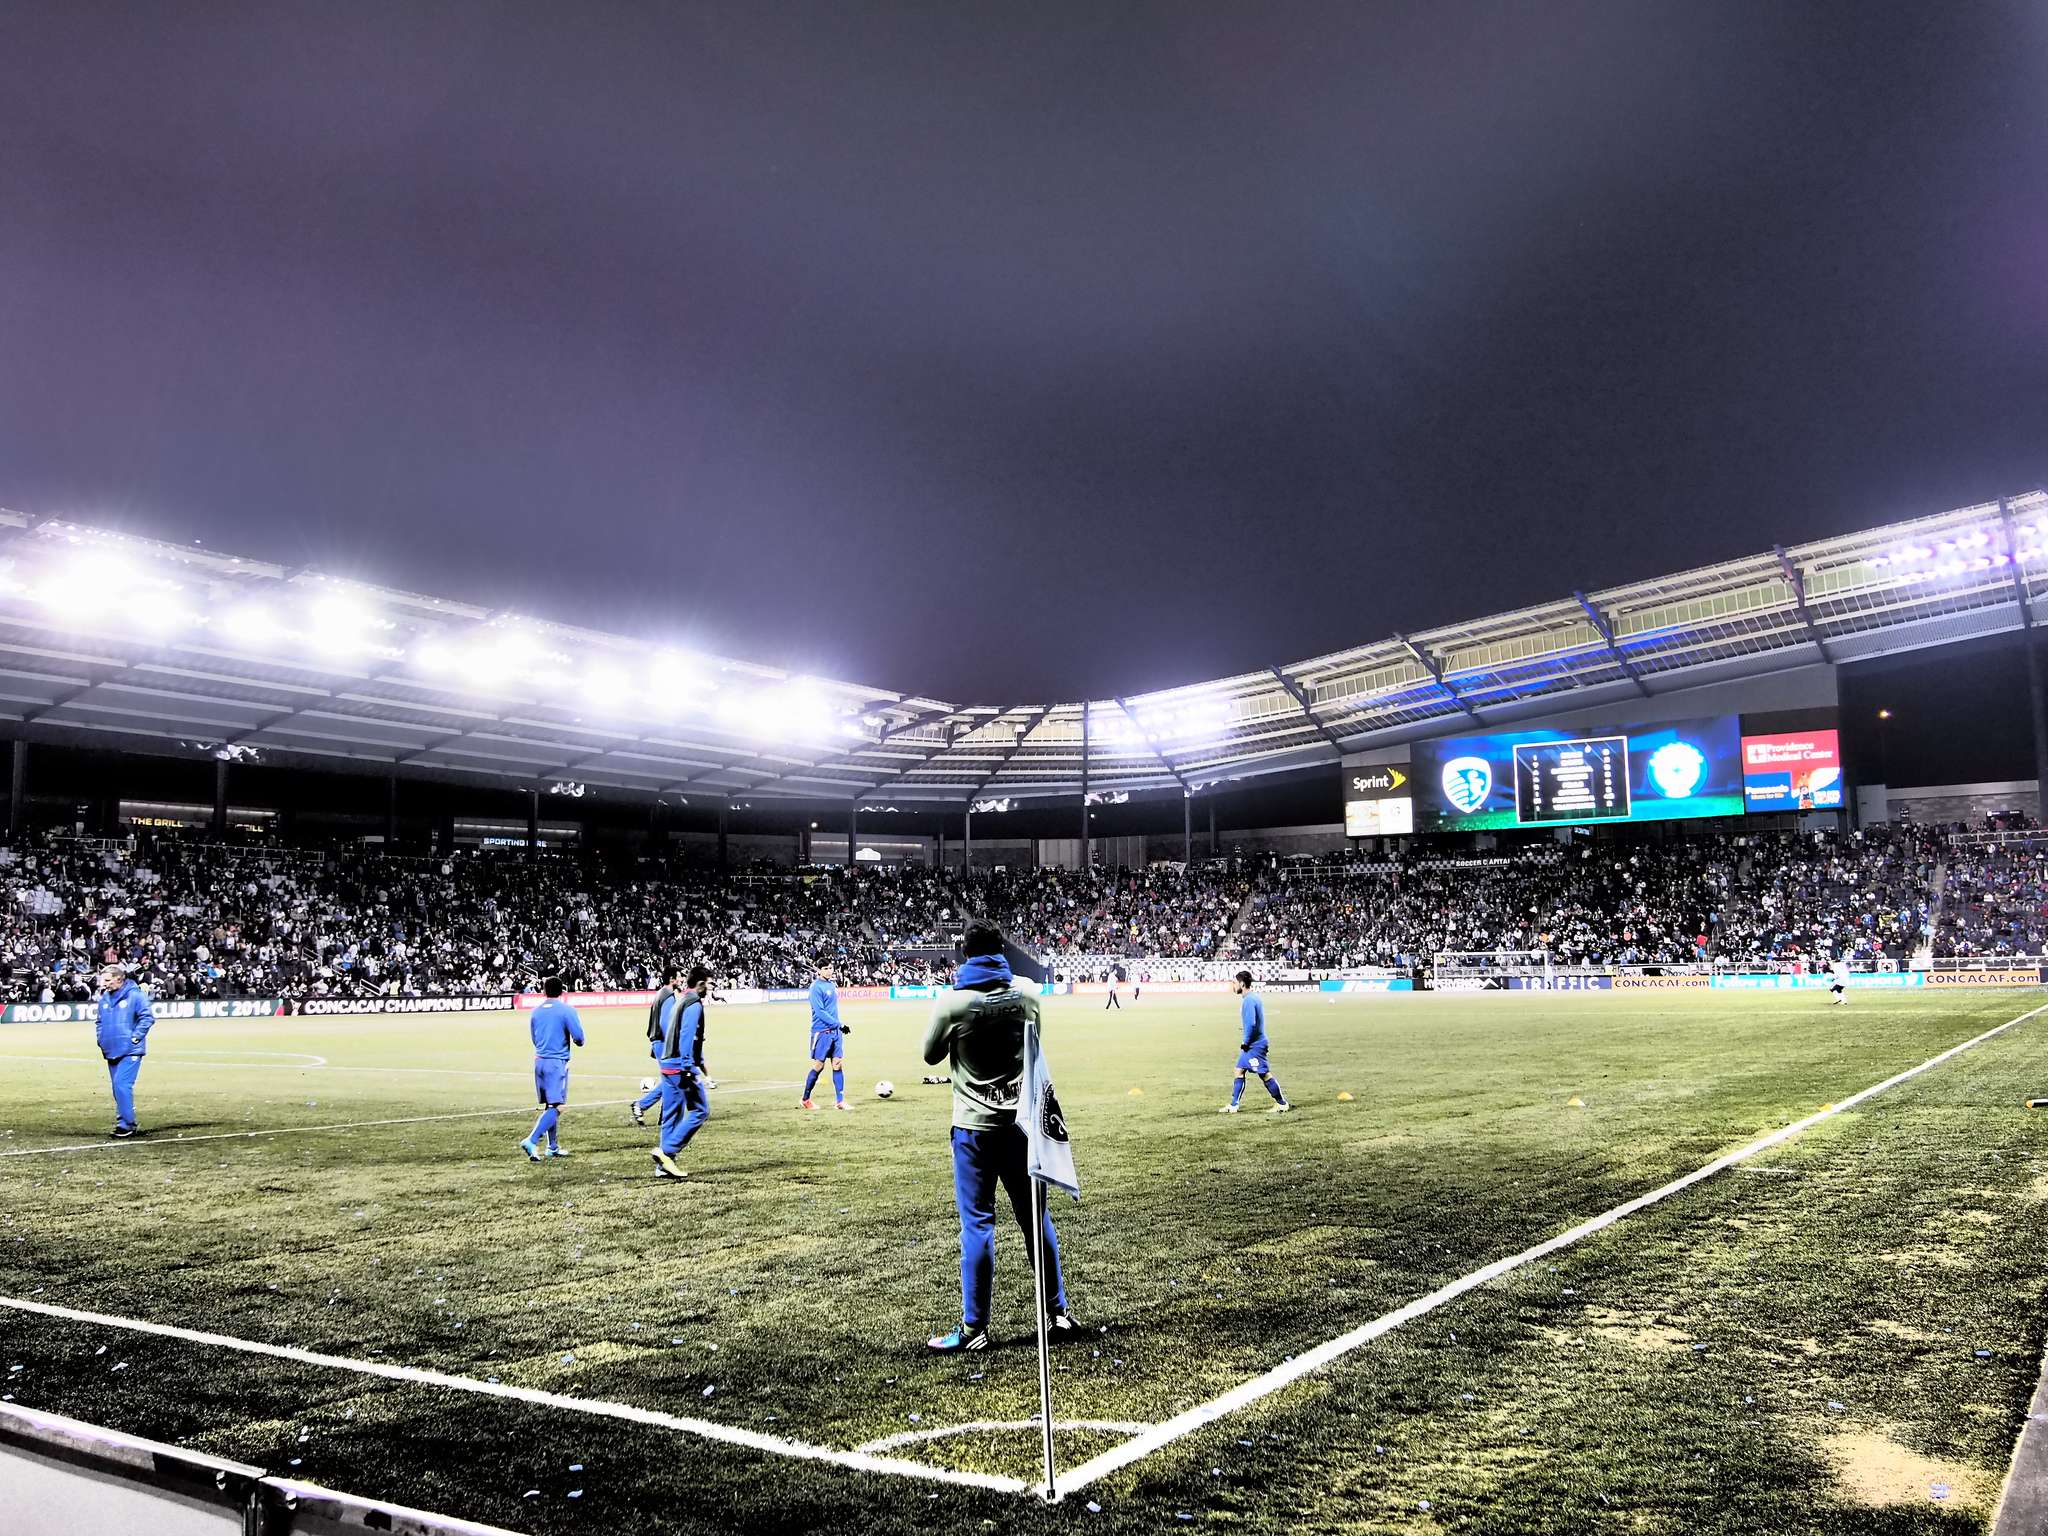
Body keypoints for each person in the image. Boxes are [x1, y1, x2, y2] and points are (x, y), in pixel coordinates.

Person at [922, 921, 1075, 1352]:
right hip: (1021, 1126)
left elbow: (930, 1055)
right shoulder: (1027, 993)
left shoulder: (952, 1002)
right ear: (1000, 950)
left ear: (964, 955)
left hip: (973, 1128)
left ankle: (975, 1330)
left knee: (977, 1225)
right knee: (1035, 1220)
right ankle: (1057, 1313)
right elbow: (1035, 1042)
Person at [651, 964, 712, 1180]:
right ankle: (667, 1152)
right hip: (680, 1065)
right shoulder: (694, 1003)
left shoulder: (680, 1000)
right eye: (710, 983)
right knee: (700, 1110)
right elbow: (687, 1035)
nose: (711, 988)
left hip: (667, 1063)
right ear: (701, 983)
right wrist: (688, 1067)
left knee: (671, 1115)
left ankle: (663, 1167)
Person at [520, 976, 585, 1161]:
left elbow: (534, 1037)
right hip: (556, 1063)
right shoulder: (567, 1010)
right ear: (562, 991)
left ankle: (552, 1146)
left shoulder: (536, 1012)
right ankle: (532, 1140)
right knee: (558, 1106)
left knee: (550, 1104)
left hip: (539, 1060)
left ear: (544, 991)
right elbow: (579, 1039)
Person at [94, 962, 155, 1139]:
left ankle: (126, 1125)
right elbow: (99, 1022)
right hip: (111, 1048)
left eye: (106, 980)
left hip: (130, 1049)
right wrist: (101, 1038)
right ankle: (125, 1122)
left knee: (122, 1085)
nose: (103, 984)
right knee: (117, 1088)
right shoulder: (104, 998)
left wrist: (135, 1038)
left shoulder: (136, 996)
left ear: (119, 979)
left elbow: (147, 1017)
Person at [1222, 970, 1290, 1114]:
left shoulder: (1249, 1000)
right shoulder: (1253, 997)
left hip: (1255, 1044)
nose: (1233, 986)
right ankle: (1234, 1105)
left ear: (1241, 983)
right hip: (1255, 1042)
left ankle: (1282, 1103)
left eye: (1234, 983)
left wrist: (1245, 1042)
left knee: (1264, 1074)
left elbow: (1251, 1024)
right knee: (1239, 1070)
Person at [801, 960, 852, 1110]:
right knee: (819, 1065)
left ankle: (840, 1101)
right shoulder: (815, 987)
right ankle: (805, 1099)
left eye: (831, 967)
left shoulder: (831, 985)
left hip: (835, 1031)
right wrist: (839, 1024)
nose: (829, 970)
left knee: (837, 1064)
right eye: (826, 968)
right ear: (819, 970)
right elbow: (820, 1011)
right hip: (821, 1031)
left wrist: (838, 1026)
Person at [632, 964, 678, 1126]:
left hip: (658, 1041)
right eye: (679, 976)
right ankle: (642, 1105)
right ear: (672, 979)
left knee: (671, 1078)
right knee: (672, 1078)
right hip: (664, 1042)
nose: (681, 979)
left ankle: (664, 1116)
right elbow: (666, 1023)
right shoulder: (668, 995)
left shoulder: (661, 993)